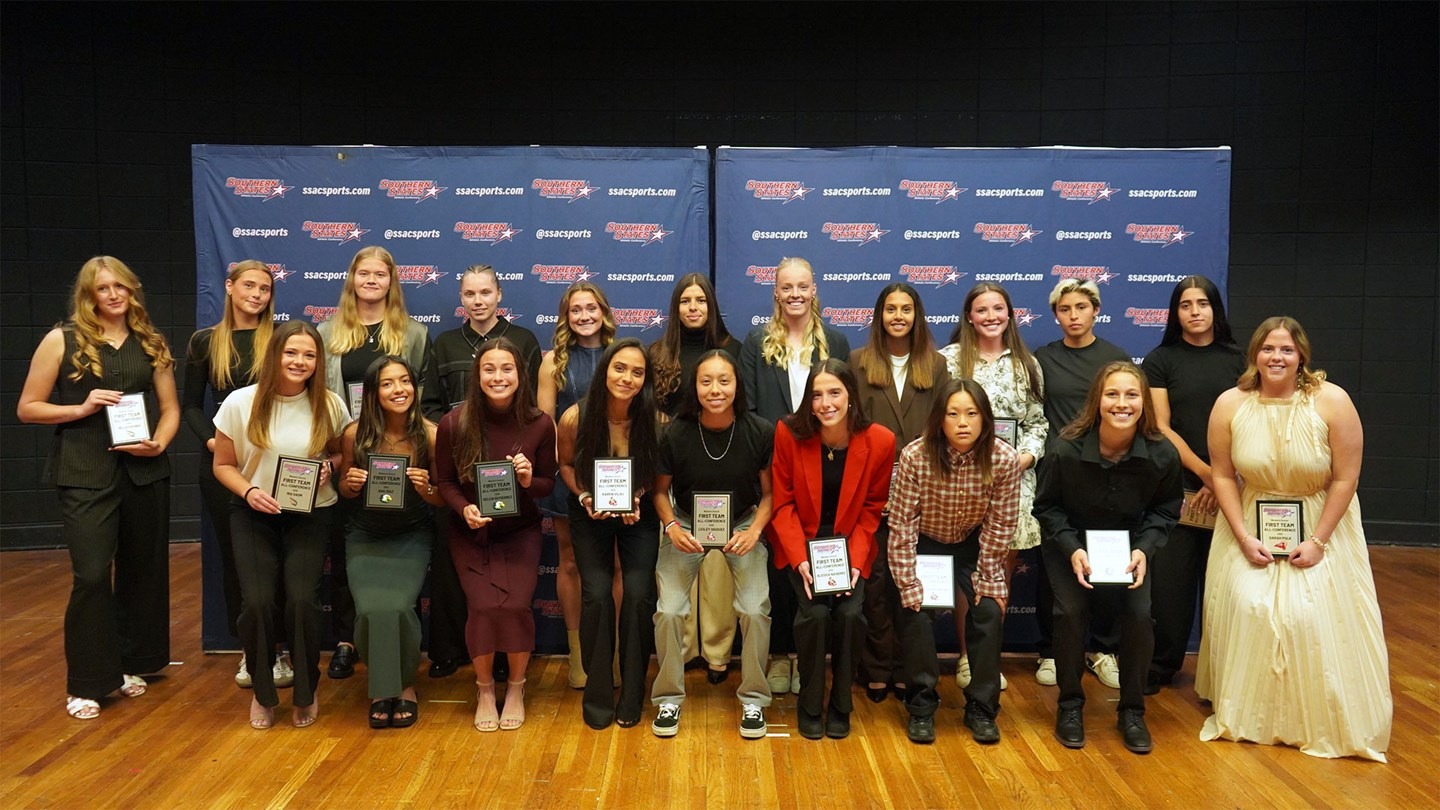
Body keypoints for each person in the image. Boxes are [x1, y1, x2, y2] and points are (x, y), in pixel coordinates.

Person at [1196, 317, 1391, 762]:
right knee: (1251, 608)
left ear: (1301, 354)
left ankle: (1317, 718)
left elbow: (1346, 477)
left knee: (1310, 617)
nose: (1276, 358)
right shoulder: (1230, 403)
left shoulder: (1333, 401)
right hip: (1250, 519)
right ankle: (1253, 715)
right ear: (1255, 356)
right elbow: (1224, 474)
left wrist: (1319, 540)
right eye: (1268, 349)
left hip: (1322, 520)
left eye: (1286, 349)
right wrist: (1242, 536)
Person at [19, 256, 179, 721]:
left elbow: (169, 408)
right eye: (102, 289)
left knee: (142, 573)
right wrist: (81, 408)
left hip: (144, 471)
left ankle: (133, 665)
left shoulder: (150, 342)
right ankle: (87, 683)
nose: (112, 295)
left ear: (133, 291)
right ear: (87, 296)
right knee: (91, 576)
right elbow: (28, 408)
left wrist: (160, 443)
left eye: (120, 287)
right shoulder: (61, 340)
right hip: (84, 470)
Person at [1033, 361, 1182, 754]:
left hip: (1130, 546)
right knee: (1070, 613)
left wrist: (1144, 548)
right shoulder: (1065, 448)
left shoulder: (1162, 452)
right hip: (1073, 542)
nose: (1122, 403)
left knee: (1137, 615)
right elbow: (1046, 507)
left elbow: (1167, 509)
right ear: (1097, 400)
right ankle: (1069, 705)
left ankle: (1132, 711)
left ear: (1144, 401)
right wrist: (1073, 549)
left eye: (1131, 395)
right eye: (1112, 394)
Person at [211, 321, 349, 729]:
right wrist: (249, 492)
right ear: (275, 355)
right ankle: (263, 692)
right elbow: (222, 465)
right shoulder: (240, 402)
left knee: (302, 600)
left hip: (310, 513)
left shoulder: (330, 404)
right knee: (256, 602)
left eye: (309, 355)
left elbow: (342, 456)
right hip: (253, 514)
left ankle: (306, 691)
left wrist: (330, 466)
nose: (300, 362)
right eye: (292, 353)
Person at [316, 245, 442, 680]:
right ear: (351, 279)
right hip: (348, 444)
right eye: (363, 273)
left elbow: (422, 397)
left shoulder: (414, 333)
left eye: (380, 274)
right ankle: (348, 641)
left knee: (400, 542)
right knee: (347, 544)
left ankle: (391, 657)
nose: (371, 280)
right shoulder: (327, 331)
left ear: (393, 282)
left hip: (400, 448)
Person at [739, 256, 851, 695]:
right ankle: (782, 654)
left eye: (802, 286)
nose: (795, 294)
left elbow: (844, 405)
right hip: (774, 468)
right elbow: (746, 409)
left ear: (814, 289)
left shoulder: (836, 341)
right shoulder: (755, 342)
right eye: (786, 287)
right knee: (781, 563)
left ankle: (809, 658)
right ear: (775, 293)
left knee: (817, 556)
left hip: (826, 469)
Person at [425, 264, 542, 680]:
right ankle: (458, 655)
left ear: (499, 295)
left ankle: (513, 669)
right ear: (461, 300)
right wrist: (454, 438)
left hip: (511, 483)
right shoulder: (444, 343)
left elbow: (533, 406)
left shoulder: (524, 340)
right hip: (459, 469)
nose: (478, 300)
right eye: (470, 294)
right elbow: (430, 406)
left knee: (510, 596)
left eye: (485, 292)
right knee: (462, 584)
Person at [889, 380, 1022, 744]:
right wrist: (909, 583)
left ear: (985, 419)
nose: (962, 423)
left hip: (973, 545)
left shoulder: (1004, 459)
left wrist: (989, 579)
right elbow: (901, 524)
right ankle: (921, 706)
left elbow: (1001, 524)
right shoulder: (915, 455)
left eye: (971, 414)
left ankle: (981, 707)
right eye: (953, 414)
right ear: (940, 420)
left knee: (989, 612)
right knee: (916, 612)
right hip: (926, 543)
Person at [650, 350, 775, 739]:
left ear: (737, 386)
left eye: (724, 381)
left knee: (755, 609)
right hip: (686, 525)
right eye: (706, 381)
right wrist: (671, 525)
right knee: (669, 610)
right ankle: (668, 697)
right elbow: (659, 492)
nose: (715, 389)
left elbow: (770, 496)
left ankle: (754, 700)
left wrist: (754, 530)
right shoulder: (676, 432)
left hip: (741, 524)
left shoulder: (759, 430)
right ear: (695, 386)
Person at [435, 337, 557, 732]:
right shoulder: (454, 423)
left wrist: (526, 478)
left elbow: (547, 485)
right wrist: (463, 508)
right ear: (477, 375)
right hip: (470, 533)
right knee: (483, 609)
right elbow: (445, 482)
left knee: (517, 607)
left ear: (520, 375)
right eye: (489, 369)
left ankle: (517, 687)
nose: (498, 377)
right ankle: (485, 688)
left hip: (520, 531)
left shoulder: (540, 422)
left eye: (507, 369)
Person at [769, 359, 894, 740]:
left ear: (851, 396)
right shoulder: (789, 433)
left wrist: (856, 562)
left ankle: (841, 703)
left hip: (849, 542)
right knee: (815, 615)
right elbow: (783, 503)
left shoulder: (880, 440)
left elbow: (872, 508)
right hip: (802, 541)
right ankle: (809, 703)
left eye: (834, 393)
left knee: (852, 614)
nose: (825, 403)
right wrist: (801, 559)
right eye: (817, 394)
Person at [183, 260, 291, 691]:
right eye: (249, 286)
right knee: (237, 561)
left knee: (280, 560)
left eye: (265, 288)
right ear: (229, 288)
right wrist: (213, 440)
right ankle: (250, 653)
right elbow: (191, 404)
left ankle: (280, 649)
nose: (257, 295)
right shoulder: (205, 341)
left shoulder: (281, 339)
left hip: (277, 463)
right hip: (224, 466)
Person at [940, 282, 1046, 692]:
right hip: (961, 479)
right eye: (981, 310)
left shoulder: (1027, 364)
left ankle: (989, 657)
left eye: (997, 308)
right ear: (969, 316)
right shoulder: (948, 360)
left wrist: (1027, 456)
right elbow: (938, 419)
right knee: (970, 570)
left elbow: (1038, 422)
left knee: (997, 574)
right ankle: (968, 657)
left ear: (1009, 314)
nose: (990, 316)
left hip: (1013, 480)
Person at [1140, 276, 1245, 693]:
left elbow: (1249, 421)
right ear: (1175, 312)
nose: (1195, 311)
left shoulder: (1240, 360)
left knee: (1226, 586)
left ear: (1215, 309)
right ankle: (1163, 664)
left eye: (1203, 303)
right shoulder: (1160, 359)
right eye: (1186, 304)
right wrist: (1207, 474)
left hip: (1235, 488)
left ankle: (1225, 671)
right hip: (1179, 488)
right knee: (1170, 587)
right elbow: (1161, 427)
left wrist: (1226, 478)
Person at [848, 282, 949, 703]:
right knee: (874, 588)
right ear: (880, 315)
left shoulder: (938, 366)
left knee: (912, 587)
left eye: (906, 309)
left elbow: (944, 429)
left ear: (917, 315)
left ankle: (909, 669)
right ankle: (875, 668)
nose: (898, 317)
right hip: (872, 494)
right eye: (891, 309)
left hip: (924, 495)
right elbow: (851, 429)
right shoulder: (857, 362)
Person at [557, 338, 664, 729]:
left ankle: (633, 694)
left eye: (637, 372)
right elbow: (566, 465)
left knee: (637, 594)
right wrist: (585, 496)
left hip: (639, 515)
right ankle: (598, 693)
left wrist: (638, 495)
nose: (628, 378)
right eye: (620, 368)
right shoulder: (575, 416)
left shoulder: (655, 419)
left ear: (646, 379)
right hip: (588, 512)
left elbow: (657, 472)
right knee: (598, 594)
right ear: (605, 370)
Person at [336, 356, 446, 729]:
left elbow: (443, 498)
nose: (398, 390)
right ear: (372, 392)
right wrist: (348, 486)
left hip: (411, 535)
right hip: (365, 535)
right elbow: (344, 492)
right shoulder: (354, 434)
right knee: (369, 609)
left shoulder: (430, 435)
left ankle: (404, 685)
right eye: (387, 383)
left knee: (398, 606)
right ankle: (383, 688)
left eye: (404, 381)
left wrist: (426, 488)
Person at [1033, 278, 1129, 689]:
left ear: (1096, 311)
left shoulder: (1114, 359)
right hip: (1057, 475)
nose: (1073, 316)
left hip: (1106, 475)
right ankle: (1051, 651)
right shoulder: (1042, 359)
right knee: (1050, 568)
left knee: (1107, 565)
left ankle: (1102, 649)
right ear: (1055, 315)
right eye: (1065, 309)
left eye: (1081, 308)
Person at [648, 273, 744, 686]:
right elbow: (645, 411)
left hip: (724, 477)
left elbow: (743, 410)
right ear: (676, 307)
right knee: (679, 565)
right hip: (676, 474)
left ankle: (719, 654)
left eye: (700, 301)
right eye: (685, 301)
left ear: (711, 307)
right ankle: (684, 651)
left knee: (720, 571)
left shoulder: (731, 350)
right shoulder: (658, 353)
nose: (692, 307)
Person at [537, 281, 616, 690]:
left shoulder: (621, 356)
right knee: (569, 560)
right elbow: (545, 422)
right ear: (565, 317)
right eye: (575, 310)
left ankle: (612, 652)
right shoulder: (553, 362)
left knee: (616, 564)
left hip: (617, 474)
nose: (584, 316)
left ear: (604, 311)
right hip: (568, 473)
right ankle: (579, 655)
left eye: (591, 308)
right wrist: (566, 471)